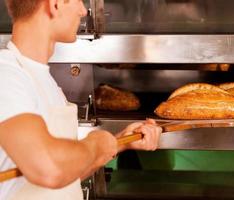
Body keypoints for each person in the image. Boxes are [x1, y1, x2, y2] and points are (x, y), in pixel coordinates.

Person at [0, 0, 162, 199]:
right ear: (55, 4)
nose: (83, 10)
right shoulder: (6, 74)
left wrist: (119, 142)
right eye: (78, 0)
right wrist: (95, 144)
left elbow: (67, 174)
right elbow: (49, 169)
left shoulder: (46, 82)